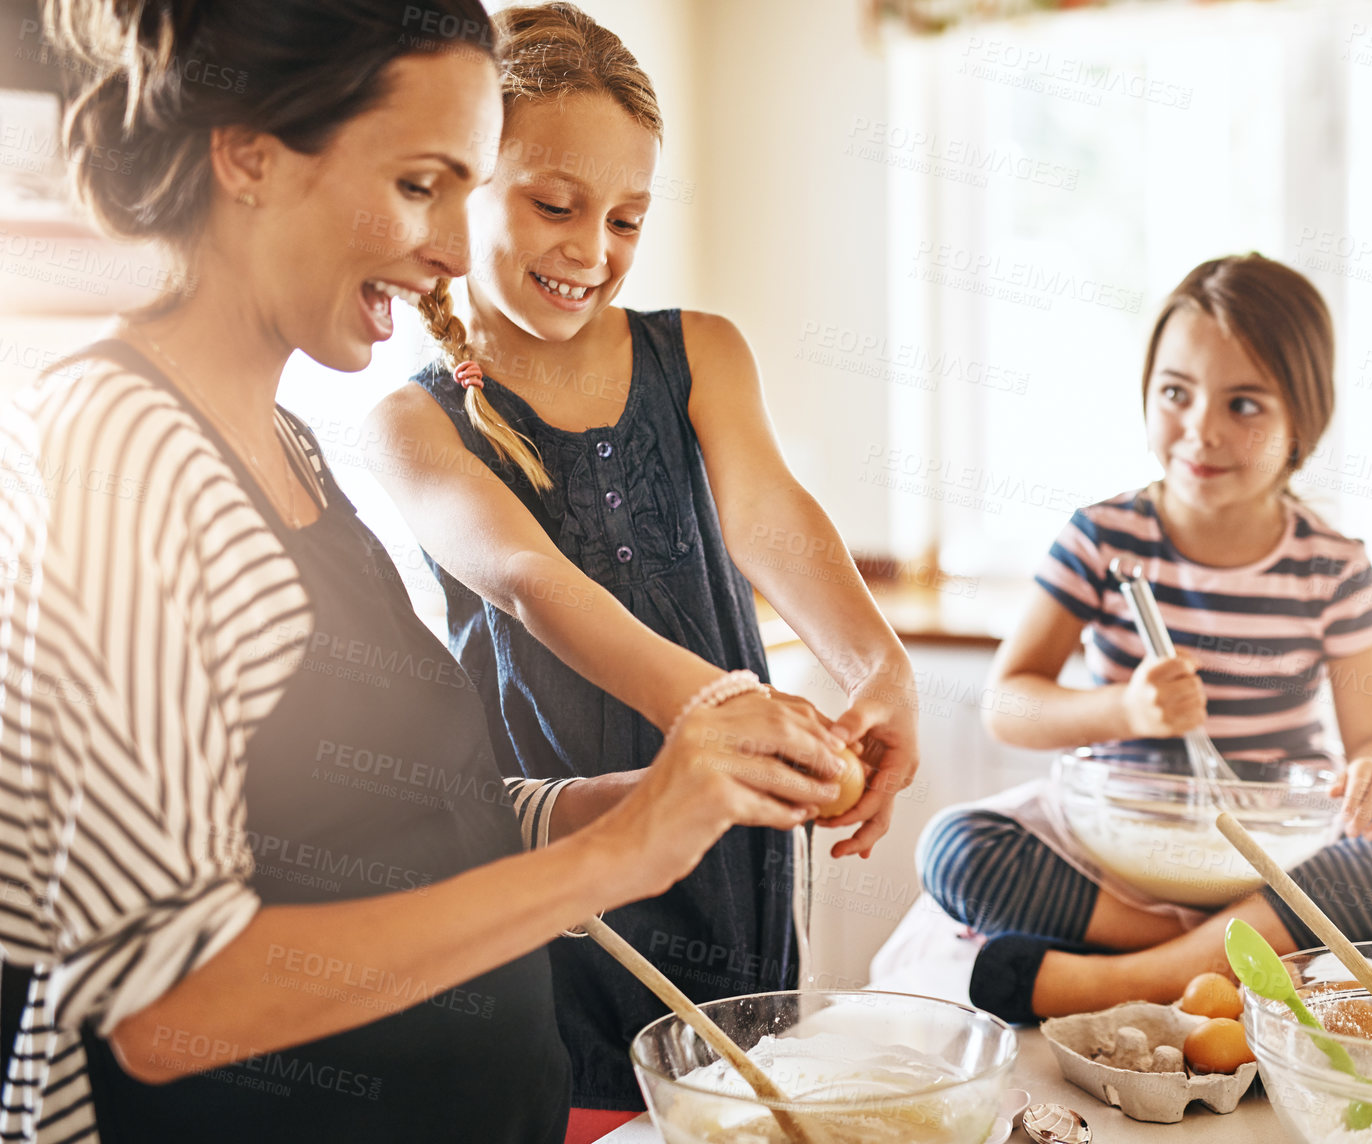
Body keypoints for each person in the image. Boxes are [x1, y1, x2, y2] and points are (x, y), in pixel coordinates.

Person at [0, 3, 845, 1142]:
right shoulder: (122, 447)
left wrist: (628, 802)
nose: (448, 248)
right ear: (246, 153)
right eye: (419, 185)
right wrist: (619, 852)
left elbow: (386, 820)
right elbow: (160, 1000)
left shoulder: (280, 440)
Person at [362, 3, 919, 1110]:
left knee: (734, 1102)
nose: (591, 249)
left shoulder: (700, 351)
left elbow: (772, 519)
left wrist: (878, 668)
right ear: (463, 183)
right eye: (554, 205)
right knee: (576, 1105)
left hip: (726, 846)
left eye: (626, 218)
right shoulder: (411, 423)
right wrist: (718, 706)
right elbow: (526, 580)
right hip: (562, 843)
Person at [917, 254, 1372, 1022]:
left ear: (1302, 424)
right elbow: (1008, 705)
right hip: (1118, 845)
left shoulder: (1331, 566)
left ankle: (1120, 977)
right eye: (1175, 393)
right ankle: (1235, 952)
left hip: (1275, 855)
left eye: (1244, 405)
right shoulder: (1102, 537)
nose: (1201, 430)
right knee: (953, 847)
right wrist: (1124, 712)